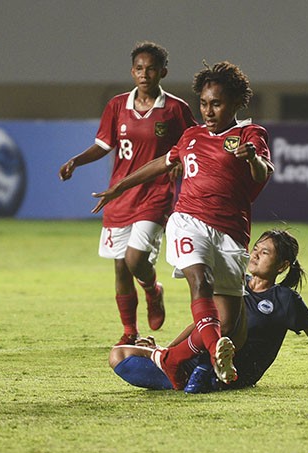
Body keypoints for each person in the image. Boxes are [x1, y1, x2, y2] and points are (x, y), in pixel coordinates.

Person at [93, 61, 274, 386]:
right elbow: (162, 163)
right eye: (203, 103)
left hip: (232, 233)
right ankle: (215, 355)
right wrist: (120, 186)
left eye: (216, 103)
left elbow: (262, 173)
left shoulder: (249, 134)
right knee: (200, 280)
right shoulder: (192, 135)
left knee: (229, 324)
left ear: (236, 103)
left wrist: (253, 158)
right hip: (189, 221)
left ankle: (171, 359)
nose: (208, 111)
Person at [58, 41, 197, 346]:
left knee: (135, 259)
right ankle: (129, 331)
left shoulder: (175, 109)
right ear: (132, 72)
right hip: (119, 195)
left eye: (151, 69)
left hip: (155, 194)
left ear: (163, 72)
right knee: (120, 267)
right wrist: (76, 161)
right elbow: (104, 145)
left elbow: (194, 142)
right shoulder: (117, 105)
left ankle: (152, 290)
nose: (144, 74)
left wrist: (179, 163)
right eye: (139, 68)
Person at [109, 229, 308, 391]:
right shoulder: (234, 283)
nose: (255, 255)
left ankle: (207, 377)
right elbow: (202, 323)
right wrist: (166, 352)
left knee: (225, 324)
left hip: (234, 373)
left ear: (282, 266)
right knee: (117, 355)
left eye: (265, 252)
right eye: (255, 248)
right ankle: (184, 375)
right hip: (198, 360)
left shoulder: (285, 300)